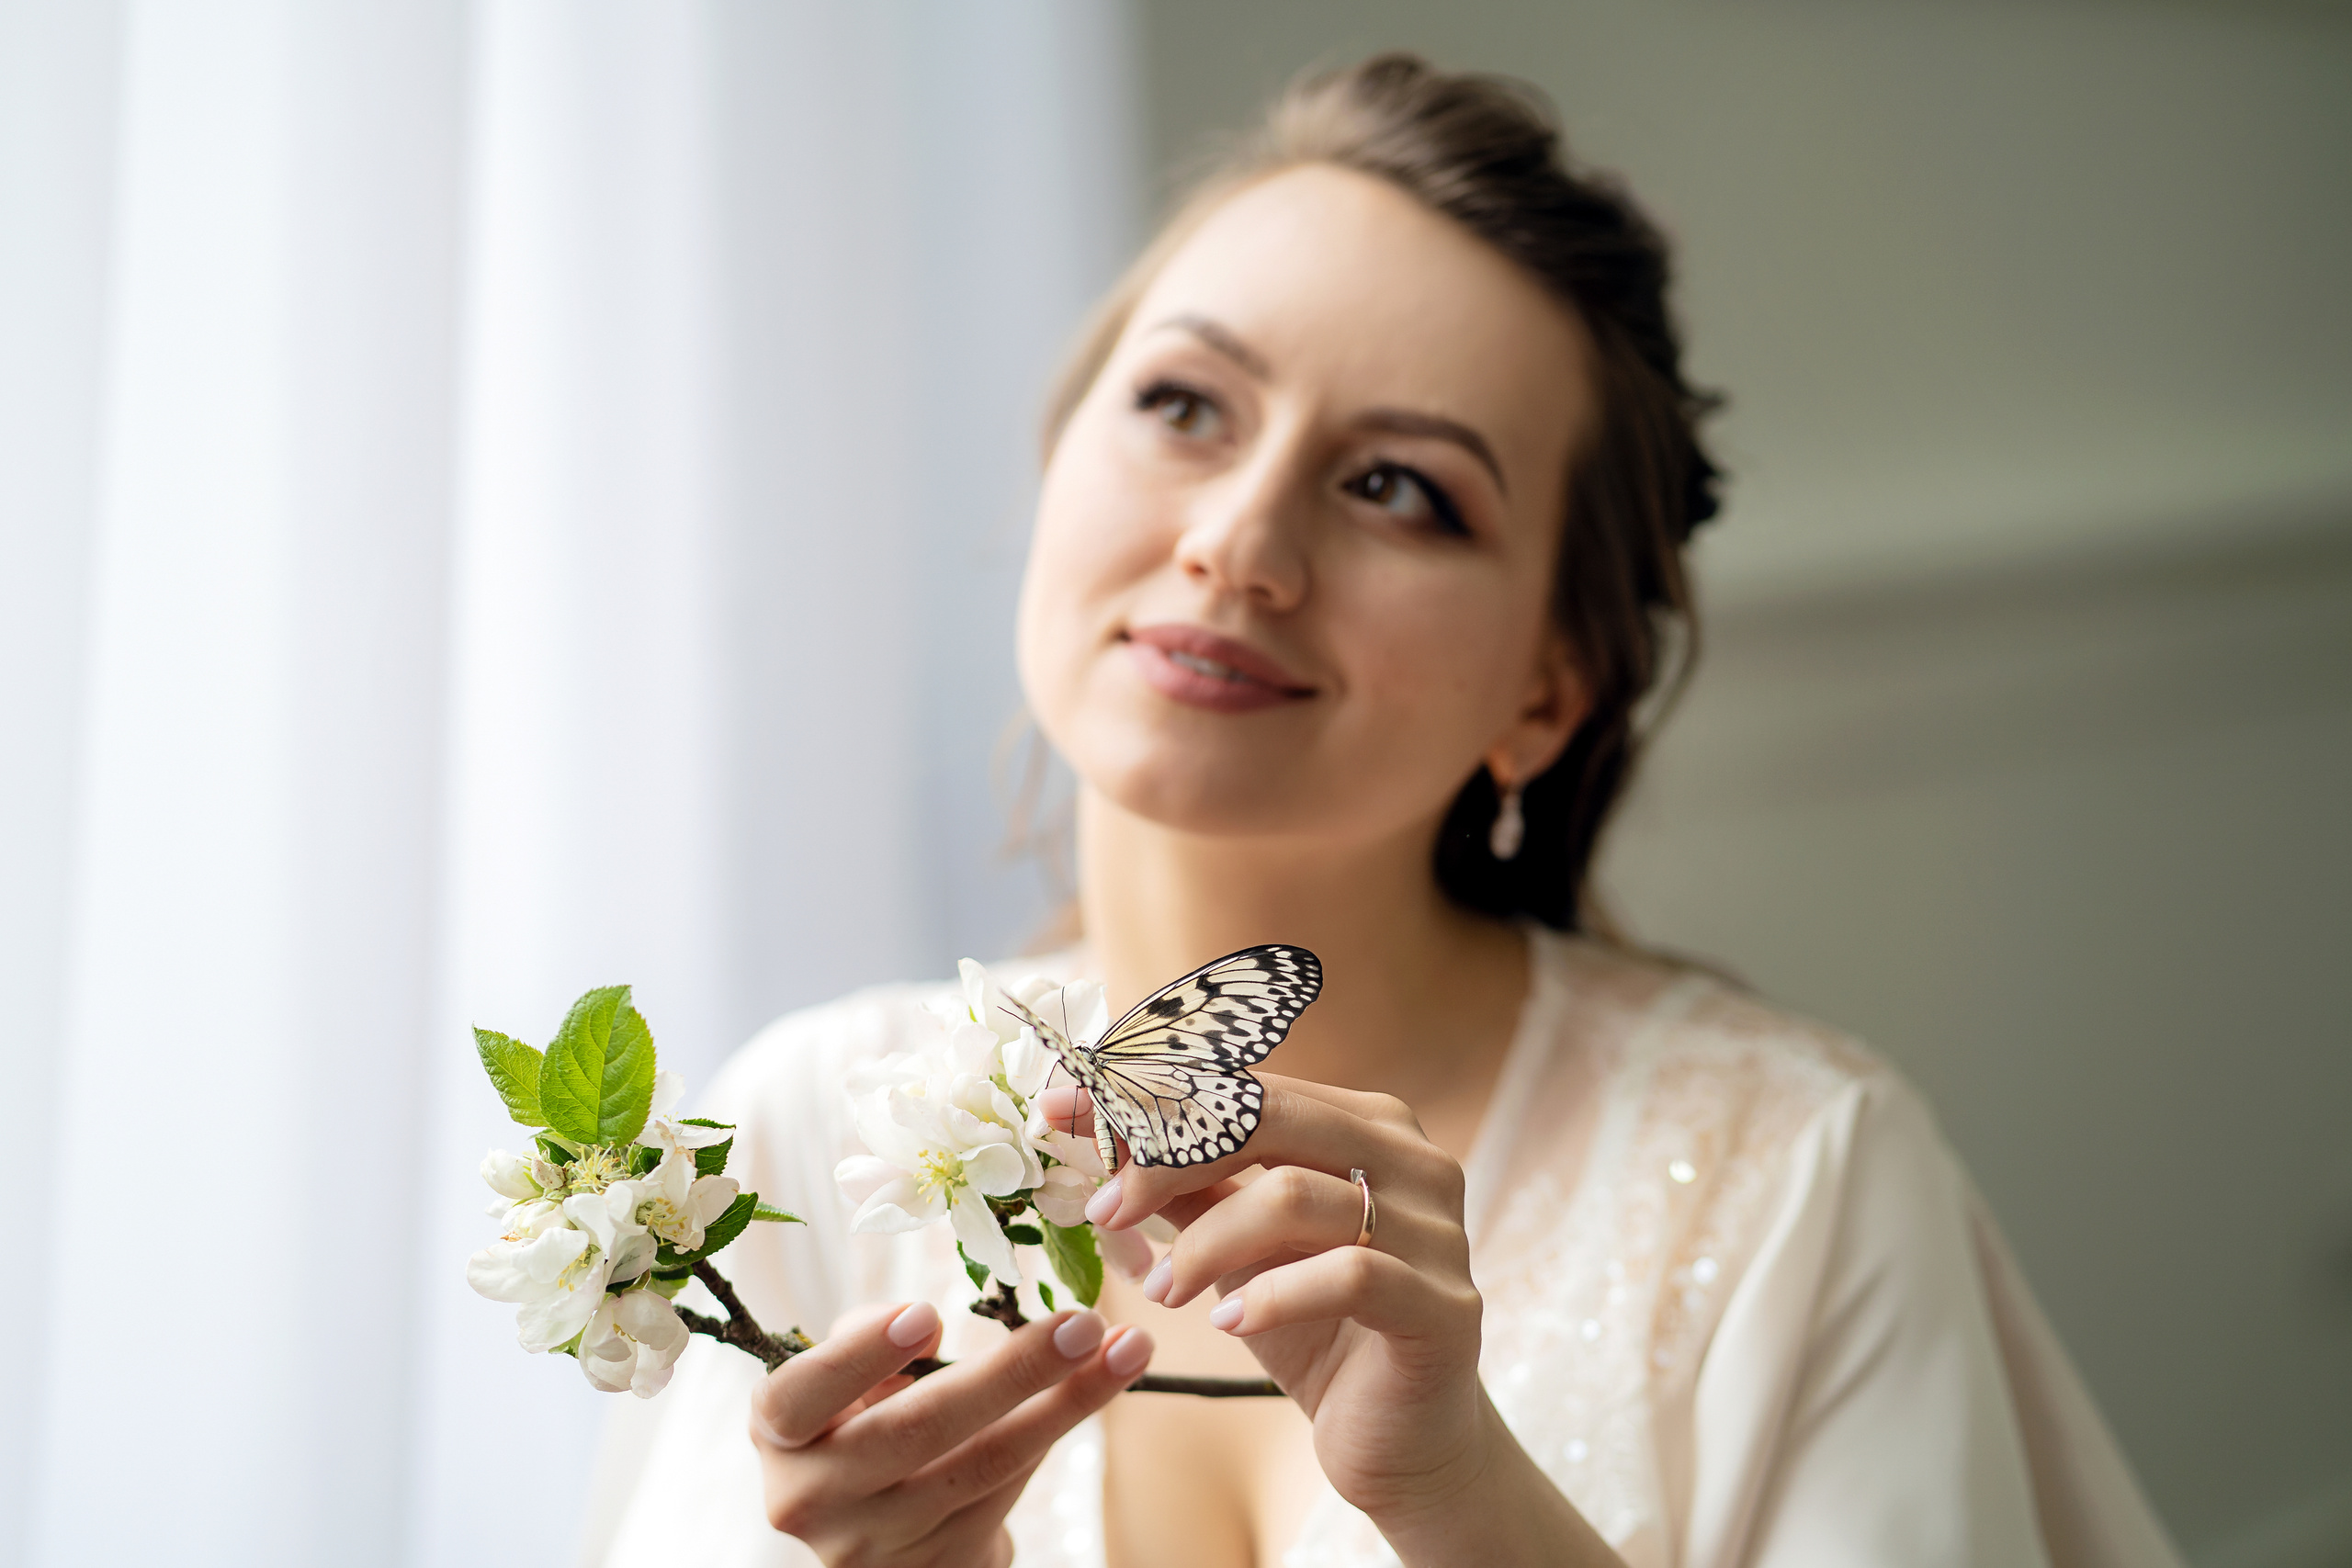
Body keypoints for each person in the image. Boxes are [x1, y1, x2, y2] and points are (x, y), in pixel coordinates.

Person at [585, 54, 2182, 1568]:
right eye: (1185, 404)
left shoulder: (1801, 1176)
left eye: (1399, 489)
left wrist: (1471, 1510)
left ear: (1548, 689)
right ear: (1058, 454)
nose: (1238, 541)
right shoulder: (803, 1135)